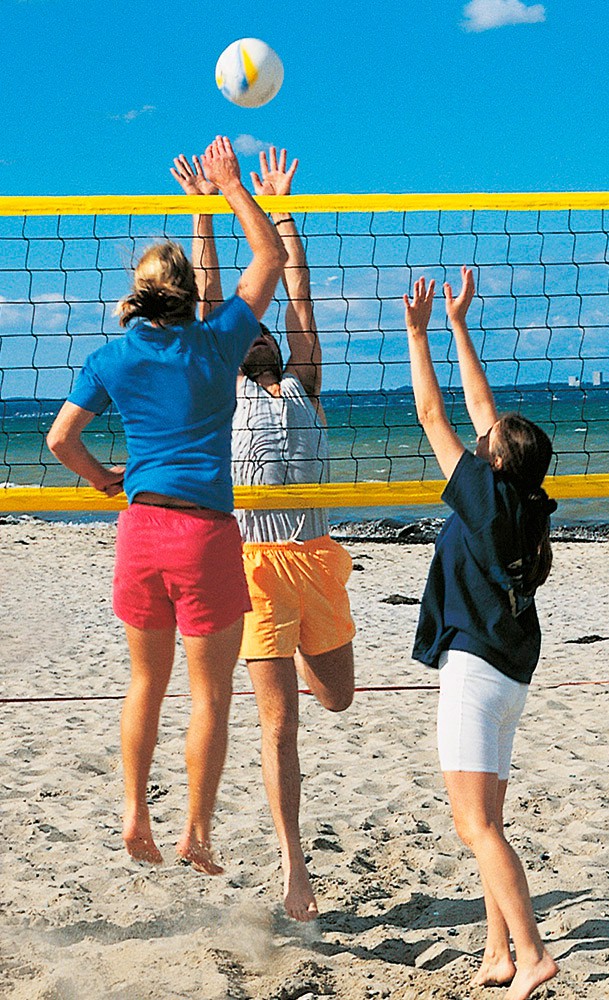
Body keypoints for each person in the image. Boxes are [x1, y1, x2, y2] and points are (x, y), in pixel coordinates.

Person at [46, 136, 287, 875]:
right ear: (189, 293)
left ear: (139, 289)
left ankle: (131, 809)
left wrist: (102, 479)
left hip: (141, 531)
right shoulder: (218, 345)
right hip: (205, 536)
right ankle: (196, 832)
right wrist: (230, 188)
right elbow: (270, 260)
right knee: (209, 693)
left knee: (144, 684)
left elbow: (60, 441)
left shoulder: (112, 356)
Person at [172, 146, 356, 921]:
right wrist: (210, 205)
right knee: (279, 724)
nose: (257, 340)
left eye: (264, 336)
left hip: (317, 558)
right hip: (253, 567)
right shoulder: (219, 383)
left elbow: (300, 293)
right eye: (244, 335)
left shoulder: (303, 380)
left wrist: (281, 208)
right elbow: (212, 292)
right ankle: (293, 869)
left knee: (338, 700)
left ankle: (292, 669)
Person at [402, 267, 560, 1000]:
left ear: (494, 460)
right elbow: (480, 408)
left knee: (475, 828)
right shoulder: (526, 497)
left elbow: (435, 414)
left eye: (488, 441)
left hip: (474, 674)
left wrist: (417, 335)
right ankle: (498, 950)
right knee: (489, 820)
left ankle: (530, 953)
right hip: (511, 675)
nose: (482, 433)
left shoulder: (488, 501)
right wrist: (460, 324)